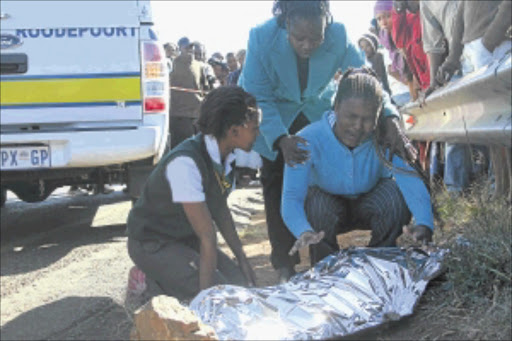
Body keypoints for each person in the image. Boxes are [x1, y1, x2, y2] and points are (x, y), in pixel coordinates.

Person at [239, 0, 417, 283]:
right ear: (285, 23)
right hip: (274, 116)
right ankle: (285, 263)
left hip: (314, 112)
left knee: (316, 186)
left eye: (316, 38)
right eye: (300, 38)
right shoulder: (261, 37)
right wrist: (280, 139)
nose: (309, 45)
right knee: (277, 182)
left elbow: (366, 78)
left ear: (327, 26)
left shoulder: (339, 34)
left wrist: (390, 118)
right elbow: (257, 95)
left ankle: (328, 255)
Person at [282, 68, 434, 265]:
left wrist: (424, 223)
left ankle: (381, 262)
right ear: (335, 107)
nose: (358, 126)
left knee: (394, 196)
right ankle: (326, 267)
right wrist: (303, 230)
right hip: (328, 208)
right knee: (316, 205)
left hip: (370, 202)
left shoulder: (386, 138)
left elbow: (408, 178)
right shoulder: (306, 140)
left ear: (379, 116)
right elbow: (292, 196)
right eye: (351, 116)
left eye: (368, 119)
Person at [127, 87, 259, 300]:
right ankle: (149, 283)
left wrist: (241, 258)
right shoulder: (185, 164)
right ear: (234, 131)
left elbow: (220, 210)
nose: (258, 134)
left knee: (241, 285)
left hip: (185, 238)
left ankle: (173, 277)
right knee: (222, 296)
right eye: (254, 128)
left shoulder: (225, 156)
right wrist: (207, 300)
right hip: (154, 242)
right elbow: (207, 236)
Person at [374, 0, 416, 100]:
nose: (383, 22)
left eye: (388, 16)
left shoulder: (408, 32)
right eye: (379, 19)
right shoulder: (387, 43)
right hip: (402, 92)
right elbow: (392, 71)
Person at [169, 37, 206, 149]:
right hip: (179, 116)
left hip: (196, 114)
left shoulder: (199, 65)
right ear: (180, 48)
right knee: (182, 149)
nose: (190, 49)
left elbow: (204, 86)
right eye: (187, 46)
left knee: (199, 149)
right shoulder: (172, 63)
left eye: (191, 46)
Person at [391, 0, 430, 91]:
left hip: (441, 76)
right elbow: (399, 41)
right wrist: (398, 12)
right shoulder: (408, 19)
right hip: (425, 82)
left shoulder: (429, 11)